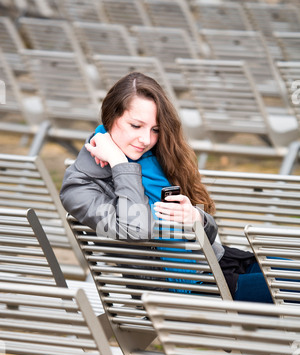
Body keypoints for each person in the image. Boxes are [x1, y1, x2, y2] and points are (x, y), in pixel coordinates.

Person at [60, 72, 273, 303]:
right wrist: (120, 164)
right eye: (136, 125)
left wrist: (194, 216)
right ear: (110, 118)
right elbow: (137, 229)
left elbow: (209, 233)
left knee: (290, 273)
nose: (146, 139)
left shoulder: (155, 158)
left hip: (215, 263)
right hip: (178, 289)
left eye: (155, 129)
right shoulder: (79, 187)